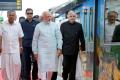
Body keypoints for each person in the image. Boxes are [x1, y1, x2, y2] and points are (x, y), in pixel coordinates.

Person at [32, 11, 62, 80]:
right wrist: (35, 52)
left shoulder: (55, 25)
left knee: (51, 67)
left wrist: (59, 48)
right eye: (47, 16)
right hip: (42, 51)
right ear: (43, 17)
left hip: (52, 50)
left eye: (50, 16)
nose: (49, 18)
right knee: (42, 67)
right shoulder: (38, 26)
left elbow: (59, 37)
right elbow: (35, 40)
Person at [60, 10, 85, 80]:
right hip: (65, 49)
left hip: (75, 49)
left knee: (73, 67)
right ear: (68, 17)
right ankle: (64, 77)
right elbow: (60, 37)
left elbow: (82, 38)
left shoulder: (79, 25)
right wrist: (59, 48)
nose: (72, 18)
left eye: (74, 16)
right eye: (70, 16)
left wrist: (83, 49)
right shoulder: (63, 25)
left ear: (76, 17)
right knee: (65, 65)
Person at [0, 10, 24, 80]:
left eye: (13, 15)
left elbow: (20, 37)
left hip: (15, 49)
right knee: (5, 66)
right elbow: (0, 36)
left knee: (16, 65)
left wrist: (21, 46)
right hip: (5, 49)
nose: (11, 16)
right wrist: (0, 46)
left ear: (15, 16)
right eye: (10, 15)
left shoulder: (18, 25)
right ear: (7, 16)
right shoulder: (2, 24)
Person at [20, 8, 39, 80]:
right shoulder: (22, 23)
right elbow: (20, 36)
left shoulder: (37, 23)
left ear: (32, 14)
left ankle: (35, 77)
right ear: (26, 14)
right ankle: (27, 78)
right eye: (28, 13)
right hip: (25, 46)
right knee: (26, 63)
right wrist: (20, 46)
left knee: (36, 63)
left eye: (31, 13)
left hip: (35, 46)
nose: (29, 15)